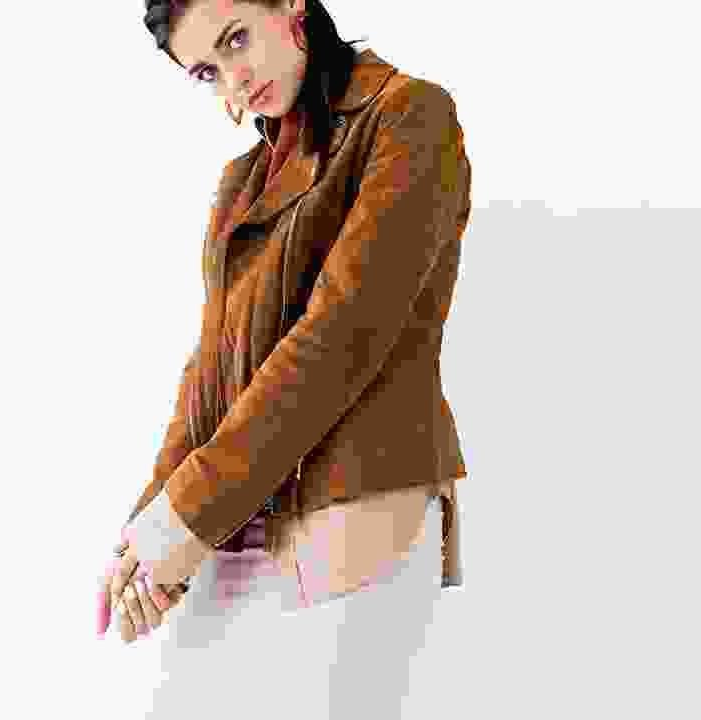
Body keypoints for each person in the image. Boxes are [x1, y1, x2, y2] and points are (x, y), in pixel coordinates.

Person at [97, 1, 472, 715]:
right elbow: (210, 372)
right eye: (207, 71)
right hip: (235, 518)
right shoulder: (242, 182)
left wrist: (183, 519)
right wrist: (146, 538)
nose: (234, 80)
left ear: (292, 4)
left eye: (236, 39)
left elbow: (339, 337)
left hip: (352, 510)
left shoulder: (410, 117)